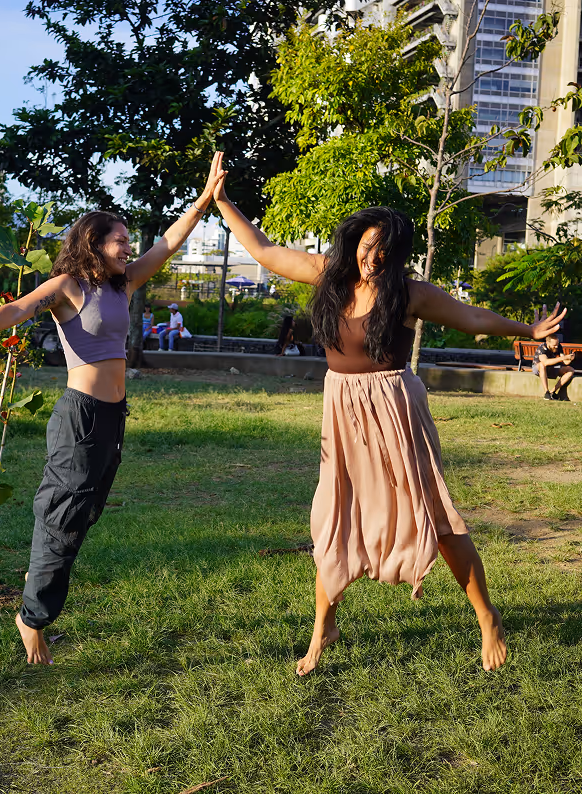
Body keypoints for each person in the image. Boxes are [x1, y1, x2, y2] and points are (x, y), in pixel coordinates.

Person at [211, 161, 565, 675]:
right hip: (342, 409)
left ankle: (487, 617)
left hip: (394, 409)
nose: (371, 257)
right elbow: (264, 251)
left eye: (383, 250)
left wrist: (526, 328)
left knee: (434, 516)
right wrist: (222, 201)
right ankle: (323, 629)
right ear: (354, 240)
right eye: (366, 244)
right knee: (334, 519)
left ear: (397, 254)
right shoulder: (329, 276)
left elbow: (472, 319)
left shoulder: (409, 293)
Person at [0, 151, 226, 665]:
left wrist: (206, 199)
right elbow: (20, 307)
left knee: (83, 512)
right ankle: (32, 616)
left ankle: (38, 575)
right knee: (65, 510)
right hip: (81, 415)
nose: (128, 247)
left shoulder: (124, 282)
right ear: (94, 244)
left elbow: (170, 241)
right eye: (119, 241)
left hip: (113, 418)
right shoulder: (69, 287)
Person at [532, 333, 575, 400]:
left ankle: (552, 392)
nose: (556, 347)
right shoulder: (542, 348)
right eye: (554, 345)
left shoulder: (558, 347)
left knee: (570, 370)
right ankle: (546, 392)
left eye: (557, 344)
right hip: (539, 369)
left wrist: (570, 358)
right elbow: (545, 362)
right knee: (542, 365)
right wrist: (563, 358)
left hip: (553, 368)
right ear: (547, 343)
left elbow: (565, 361)